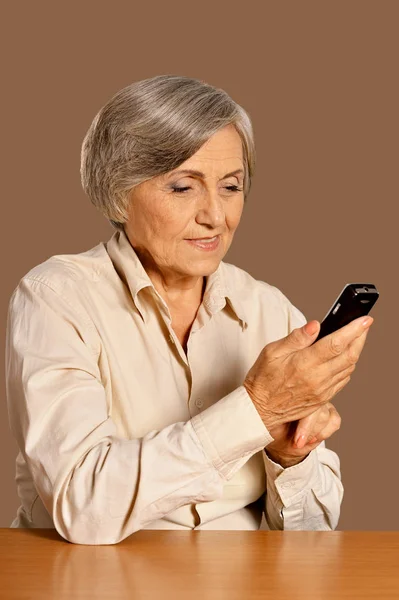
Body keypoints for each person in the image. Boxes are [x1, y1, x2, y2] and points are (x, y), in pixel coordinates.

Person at [5, 75, 373, 545]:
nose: (216, 216)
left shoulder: (270, 310)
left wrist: (291, 457)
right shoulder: (56, 297)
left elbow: (314, 536)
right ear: (120, 191)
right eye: (183, 187)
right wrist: (255, 411)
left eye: (231, 187)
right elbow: (84, 504)